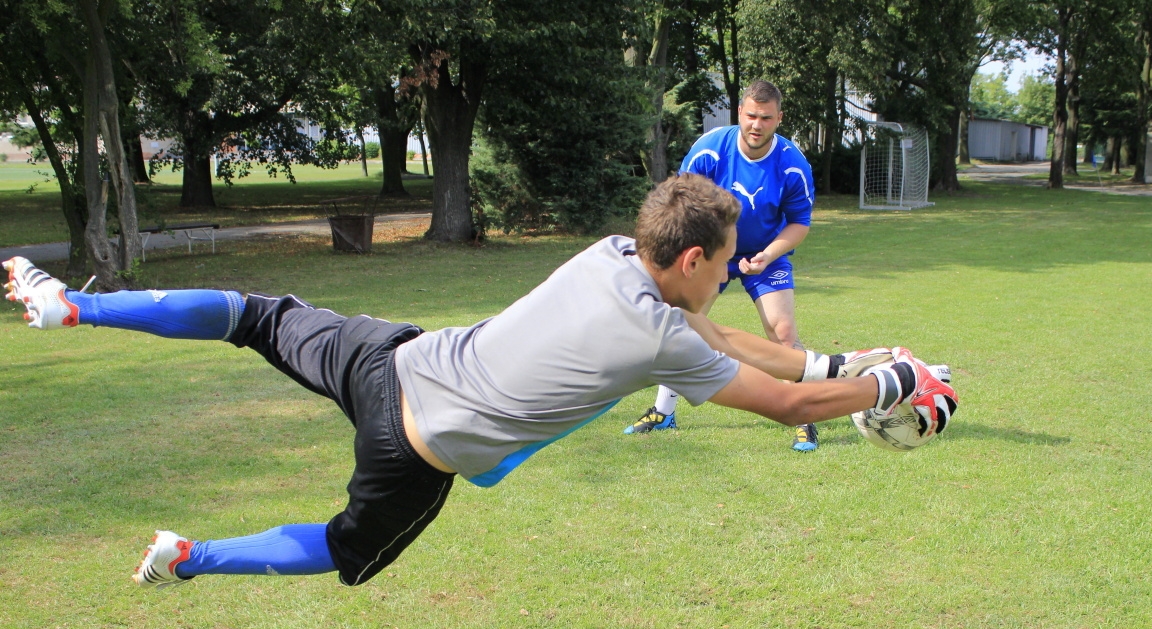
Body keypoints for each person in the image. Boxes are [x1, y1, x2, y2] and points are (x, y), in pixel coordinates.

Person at [3, 175, 956, 589]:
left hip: (388, 356)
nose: (736, 277)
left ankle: (76, 308)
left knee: (253, 313)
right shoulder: (658, 340)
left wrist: (852, 362)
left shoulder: (614, 253)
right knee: (344, 548)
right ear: (696, 256)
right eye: (730, 264)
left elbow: (749, 349)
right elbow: (782, 401)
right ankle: (189, 555)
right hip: (413, 448)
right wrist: (897, 386)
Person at [625, 80, 821, 452]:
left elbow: (800, 223)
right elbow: (682, 204)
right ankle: (664, 411)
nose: (756, 125)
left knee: (782, 332)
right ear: (739, 114)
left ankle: (803, 416)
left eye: (766, 117)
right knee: (682, 326)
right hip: (713, 253)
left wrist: (768, 254)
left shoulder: (793, 164)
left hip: (766, 256)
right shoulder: (710, 150)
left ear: (778, 118)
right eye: (750, 115)